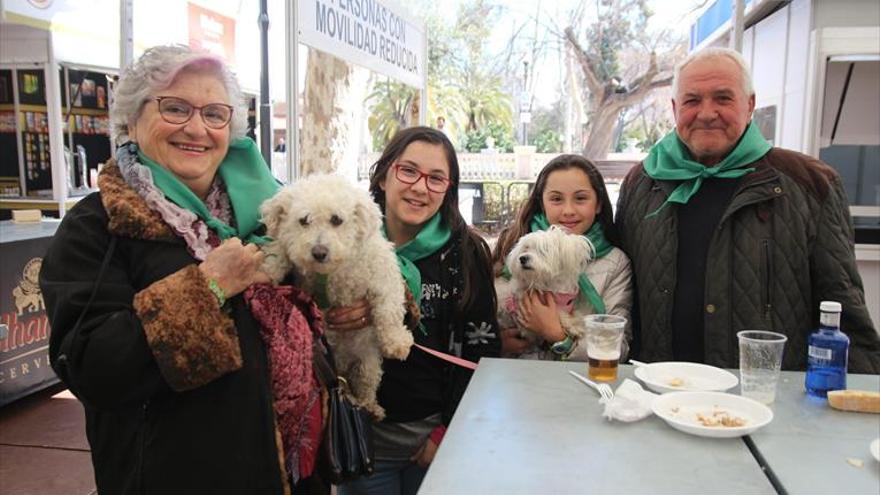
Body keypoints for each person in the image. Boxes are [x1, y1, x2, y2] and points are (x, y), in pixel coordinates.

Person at [39, 45, 361, 495]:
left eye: (214, 113)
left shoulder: (267, 215)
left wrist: (350, 304)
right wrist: (207, 285)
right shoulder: (99, 226)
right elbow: (92, 366)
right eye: (174, 108)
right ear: (131, 120)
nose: (196, 128)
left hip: (291, 473)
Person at [615, 47, 880, 372]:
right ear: (674, 108)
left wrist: (858, 403)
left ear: (750, 104)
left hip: (765, 402)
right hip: (659, 395)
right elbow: (619, 297)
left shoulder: (810, 183)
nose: (707, 113)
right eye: (692, 100)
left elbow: (843, 310)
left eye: (723, 98)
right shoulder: (642, 184)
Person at [338, 126, 500, 495]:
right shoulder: (343, 242)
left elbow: (482, 352)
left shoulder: (466, 252)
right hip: (361, 440)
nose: (420, 187)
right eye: (408, 171)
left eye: (436, 178)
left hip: (435, 441)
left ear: (449, 189)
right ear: (383, 175)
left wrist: (448, 433)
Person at [492, 154, 633, 361]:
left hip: (581, 384)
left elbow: (616, 346)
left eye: (581, 198)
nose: (568, 211)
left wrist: (557, 334)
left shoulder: (614, 263)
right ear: (542, 203)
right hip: (516, 380)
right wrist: (497, 343)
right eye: (556, 199)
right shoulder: (512, 246)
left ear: (599, 204)